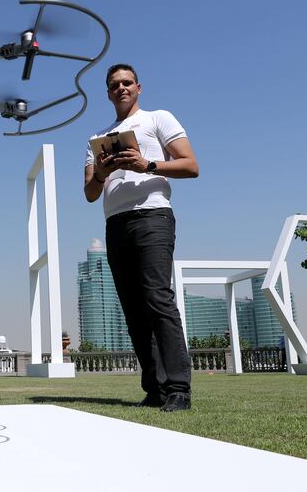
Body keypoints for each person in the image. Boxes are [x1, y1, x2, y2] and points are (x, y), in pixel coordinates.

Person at [84, 63, 199, 412]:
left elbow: (191, 166)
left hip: (152, 215)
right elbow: (90, 192)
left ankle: (178, 388)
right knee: (133, 309)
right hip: (115, 223)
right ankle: (155, 388)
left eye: (127, 83)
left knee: (157, 299)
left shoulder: (158, 118)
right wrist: (102, 171)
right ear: (107, 92)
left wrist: (146, 164)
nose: (121, 88)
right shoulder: (97, 139)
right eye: (114, 85)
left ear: (138, 87)